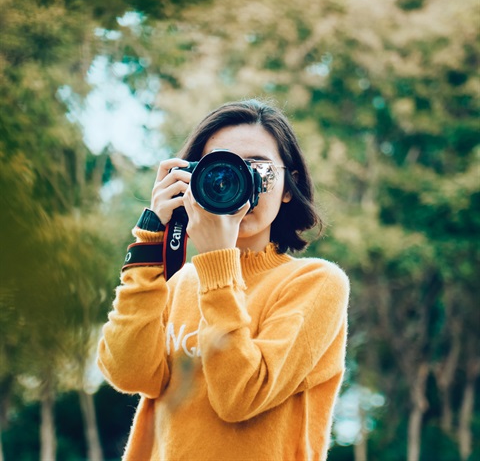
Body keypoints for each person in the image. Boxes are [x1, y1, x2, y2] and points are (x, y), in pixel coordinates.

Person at [97, 99, 350, 461]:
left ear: (289, 186)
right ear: (190, 179)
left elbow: (239, 397)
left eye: (256, 168)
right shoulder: (176, 280)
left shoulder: (316, 283)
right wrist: (151, 239)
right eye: (219, 167)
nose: (237, 180)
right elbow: (128, 373)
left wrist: (218, 264)